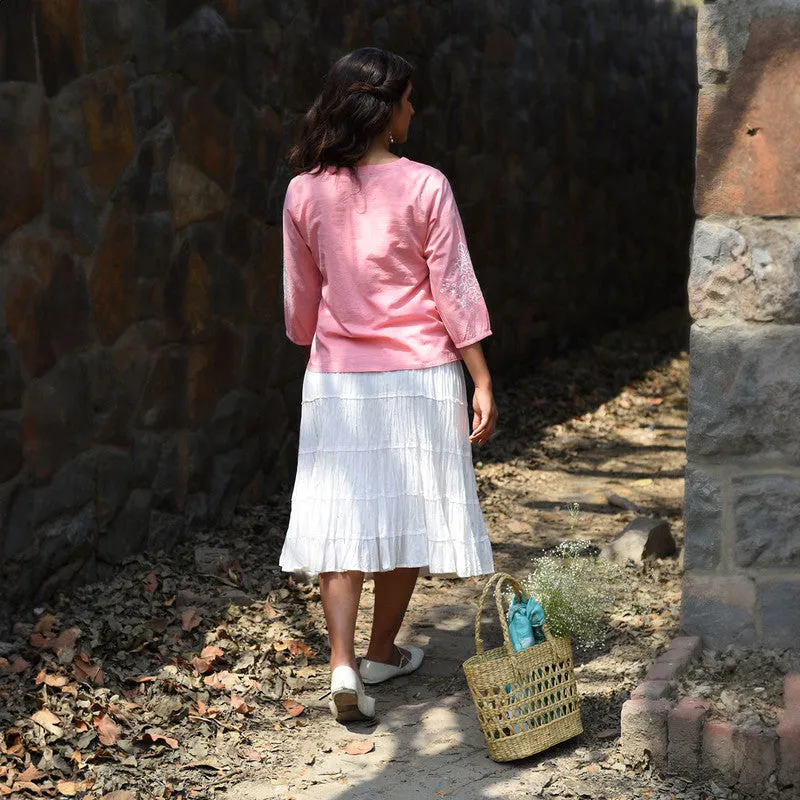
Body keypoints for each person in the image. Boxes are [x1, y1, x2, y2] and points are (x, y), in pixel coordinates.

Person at [279, 47, 498, 723]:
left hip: (339, 380)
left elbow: (299, 310)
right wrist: (482, 378)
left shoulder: (303, 192)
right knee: (404, 517)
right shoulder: (426, 186)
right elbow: (453, 289)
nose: (413, 110)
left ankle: (344, 663)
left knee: (339, 522)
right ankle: (381, 649)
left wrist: (325, 328)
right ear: (385, 112)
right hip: (421, 374)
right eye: (406, 100)